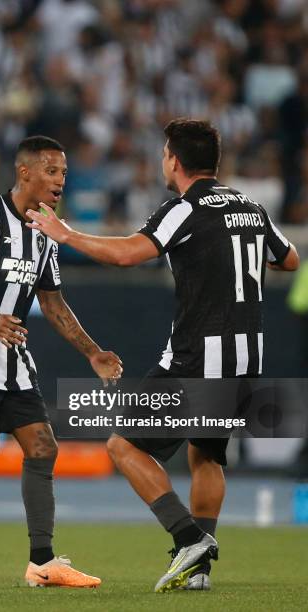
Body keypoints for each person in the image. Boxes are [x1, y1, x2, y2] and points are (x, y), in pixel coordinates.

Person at [26, 119, 300, 592]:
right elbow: (290, 258)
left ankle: (188, 537)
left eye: (163, 154)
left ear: (174, 160)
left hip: (196, 358)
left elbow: (131, 253)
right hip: (246, 359)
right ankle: (200, 571)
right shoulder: (250, 208)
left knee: (122, 445)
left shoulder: (183, 208)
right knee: (206, 457)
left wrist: (65, 235)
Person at [0, 135, 122, 588]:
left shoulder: (47, 231)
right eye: (52, 172)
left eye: (64, 175)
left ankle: (42, 563)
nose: (60, 182)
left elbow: (54, 303)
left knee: (43, 447)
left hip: (13, 359)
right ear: (25, 172)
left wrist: (91, 350)